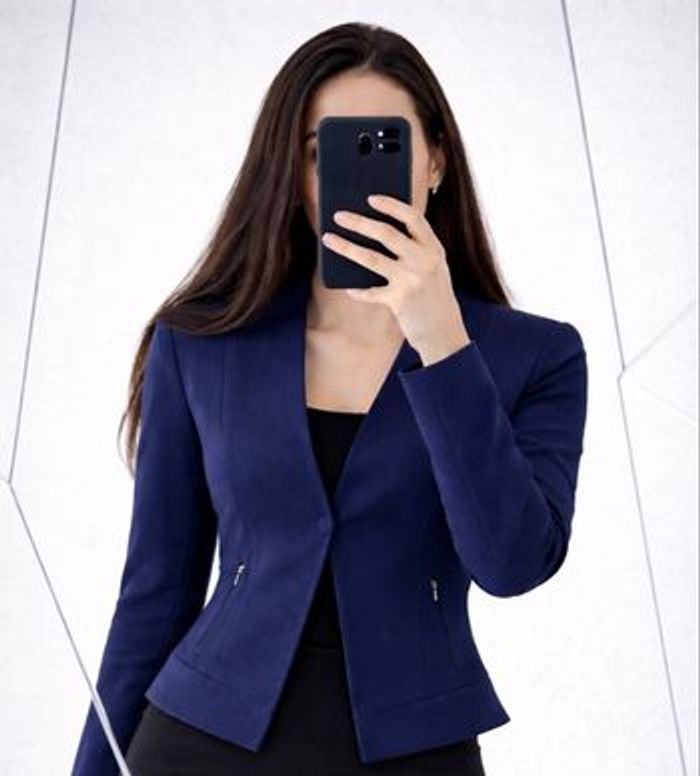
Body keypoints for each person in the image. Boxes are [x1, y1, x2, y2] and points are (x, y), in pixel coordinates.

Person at [71, 21, 588, 776]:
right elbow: (154, 594)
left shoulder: (535, 356)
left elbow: (511, 564)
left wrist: (442, 342)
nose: (353, 179)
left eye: (384, 146)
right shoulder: (203, 342)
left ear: (435, 160)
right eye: (322, 153)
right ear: (292, 173)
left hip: (415, 751)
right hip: (196, 744)